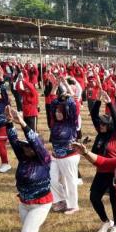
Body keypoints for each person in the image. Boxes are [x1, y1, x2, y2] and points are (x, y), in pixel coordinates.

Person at [5, 106, 53, 232]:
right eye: (24, 147)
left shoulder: (44, 159)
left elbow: (35, 143)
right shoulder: (23, 157)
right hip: (24, 202)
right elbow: (13, 140)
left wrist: (23, 124)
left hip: (41, 203)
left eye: (29, 147)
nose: (26, 149)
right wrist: (9, 122)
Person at [89, 92, 116, 232]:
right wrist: (97, 101)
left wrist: (110, 103)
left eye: (104, 123)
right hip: (101, 171)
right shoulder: (101, 133)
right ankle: (106, 221)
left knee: (114, 200)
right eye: (100, 123)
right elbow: (93, 116)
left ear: (109, 125)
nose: (100, 125)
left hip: (114, 171)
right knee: (94, 197)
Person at [48, 82, 80, 214]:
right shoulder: (54, 122)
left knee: (71, 181)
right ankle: (61, 200)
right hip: (56, 155)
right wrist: (55, 85)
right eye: (56, 111)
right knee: (51, 178)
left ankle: (73, 205)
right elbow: (52, 99)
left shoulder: (71, 121)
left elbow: (73, 102)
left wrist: (67, 86)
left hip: (69, 155)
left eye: (60, 112)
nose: (57, 113)